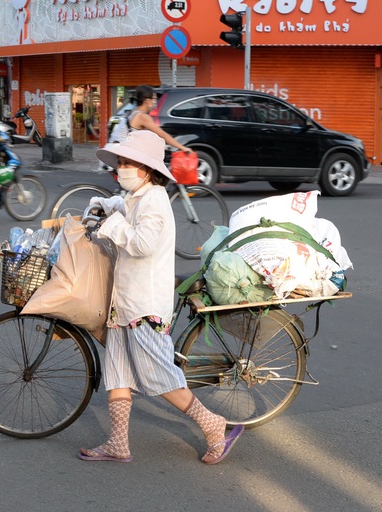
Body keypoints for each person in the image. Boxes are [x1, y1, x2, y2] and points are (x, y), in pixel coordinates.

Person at [79, 130, 244, 465]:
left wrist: (111, 226)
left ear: (146, 168)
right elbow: (121, 207)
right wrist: (103, 207)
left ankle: (213, 425)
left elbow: (142, 244)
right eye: (120, 162)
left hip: (144, 306)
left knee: (159, 375)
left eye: (127, 162)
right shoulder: (137, 197)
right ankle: (118, 444)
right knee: (118, 373)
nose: (120, 168)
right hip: (124, 303)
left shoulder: (154, 200)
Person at [127, 85, 193, 154]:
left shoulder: (133, 111)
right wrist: (183, 148)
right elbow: (163, 134)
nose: (155, 102)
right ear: (147, 101)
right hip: (127, 153)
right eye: (154, 99)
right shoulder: (142, 117)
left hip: (124, 150)